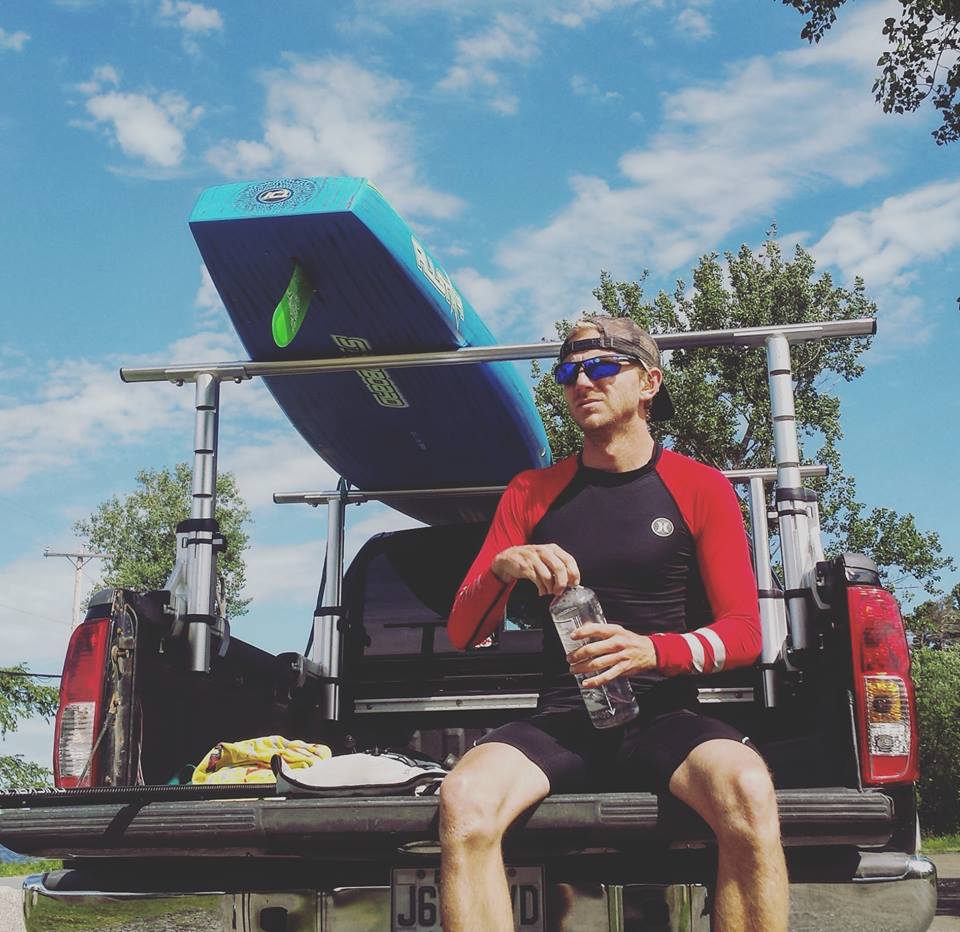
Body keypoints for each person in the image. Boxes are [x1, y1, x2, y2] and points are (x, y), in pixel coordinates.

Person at [439, 316, 788, 932]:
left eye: (601, 367)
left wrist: (652, 651)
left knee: (749, 789)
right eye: (568, 372)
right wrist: (502, 566)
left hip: (665, 718)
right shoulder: (531, 490)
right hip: (562, 722)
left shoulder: (699, 486)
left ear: (649, 382)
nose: (582, 382)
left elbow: (745, 632)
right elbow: (463, 631)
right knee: (464, 800)